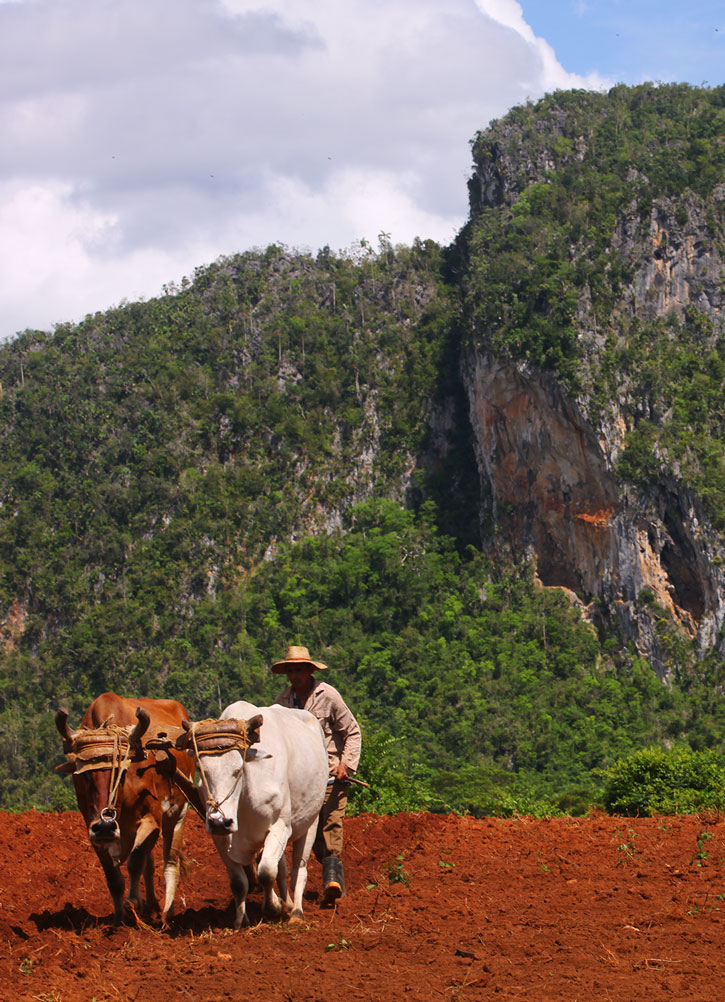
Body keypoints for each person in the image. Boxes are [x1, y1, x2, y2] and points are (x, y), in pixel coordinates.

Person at [272, 644, 361, 905]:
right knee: (311, 836)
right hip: (301, 780)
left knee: (331, 823)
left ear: (310, 670)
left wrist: (346, 765)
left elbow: (352, 732)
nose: (296, 674)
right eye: (292, 670)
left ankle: (332, 883)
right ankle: (331, 869)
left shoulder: (328, 696)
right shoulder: (282, 703)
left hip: (333, 773)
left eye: (300, 669)